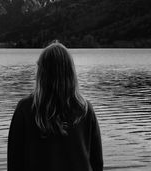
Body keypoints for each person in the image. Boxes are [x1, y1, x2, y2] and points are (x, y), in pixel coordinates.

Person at [8, 41, 103, 171]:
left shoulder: (25, 108)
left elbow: (14, 162)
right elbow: (97, 162)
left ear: (42, 72)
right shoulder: (84, 109)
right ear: (70, 71)